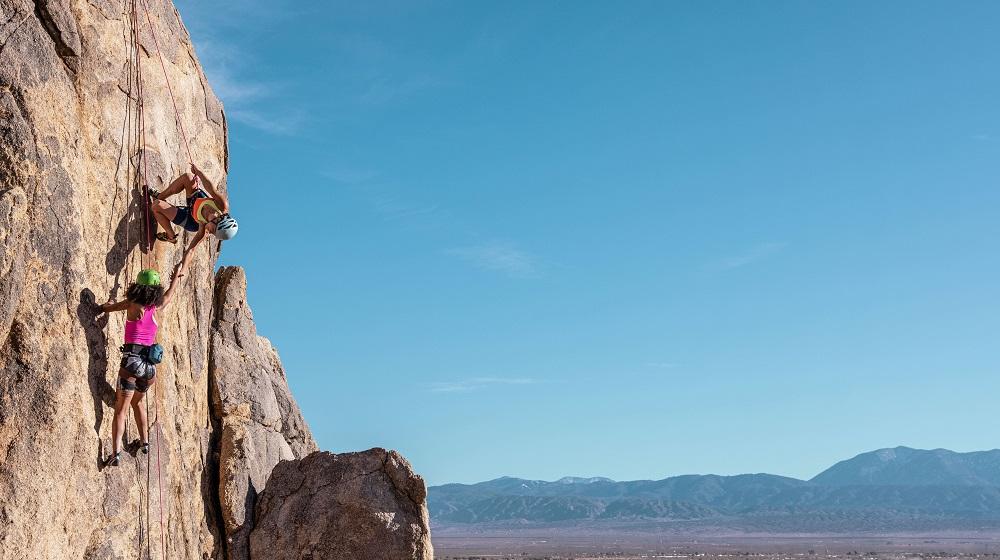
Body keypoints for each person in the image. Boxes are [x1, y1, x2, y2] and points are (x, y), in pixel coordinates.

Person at [98, 261, 187, 466]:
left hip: (131, 362)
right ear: (155, 290)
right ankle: (145, 442)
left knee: (121, 410)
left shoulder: (131, 304)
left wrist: (108, 301)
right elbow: (171, 293)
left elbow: (106, 309)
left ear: (137, 286)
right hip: (149, 368)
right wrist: (175, 276)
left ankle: (116, 453)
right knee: (137, 402)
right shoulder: (156, 307)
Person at [150, 163, 238, 263]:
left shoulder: (202, 229)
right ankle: (161, 196)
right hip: (195, 201)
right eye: (214, 230)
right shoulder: (222, 205)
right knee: (188, 177)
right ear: (218, 220)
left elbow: (191, 250)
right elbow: (210, 188)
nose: (210, 233)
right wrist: (198, 172)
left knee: (156, 205)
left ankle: (171, 236)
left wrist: (182, 270)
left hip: (189, 219)